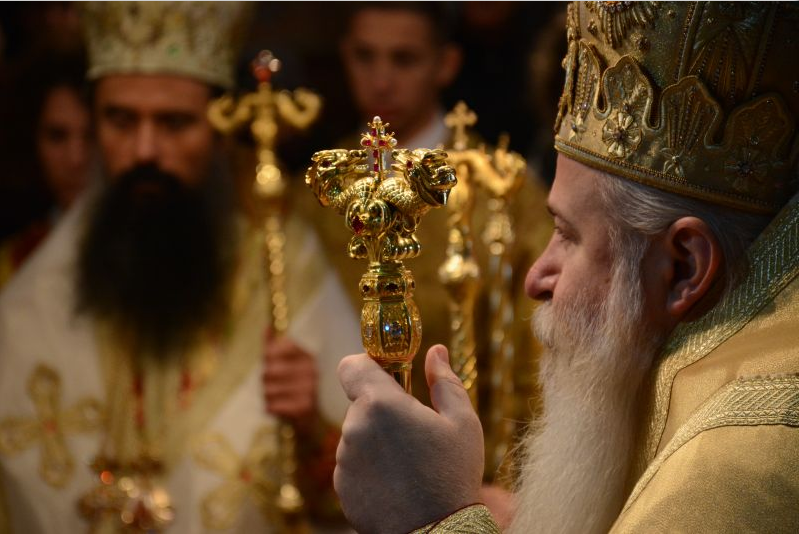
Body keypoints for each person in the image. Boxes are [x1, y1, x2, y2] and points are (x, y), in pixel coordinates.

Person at [333, 2, 799, 533]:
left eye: (568, 235)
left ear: (683, 267)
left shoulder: (737, 456)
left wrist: (433, 514)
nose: (536, 277)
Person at [0, 2, 360, 533]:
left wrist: (309, 425)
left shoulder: (285, 271)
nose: (145, 150)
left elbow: (364, 495)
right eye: (121, 120)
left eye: (174, 123)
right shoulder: (34, 295)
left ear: (219, 129)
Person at [0, 49, 93, 289]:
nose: (76, 158)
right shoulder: (14, 261)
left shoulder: (153, 249)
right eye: (57, 136)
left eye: (91, 136)